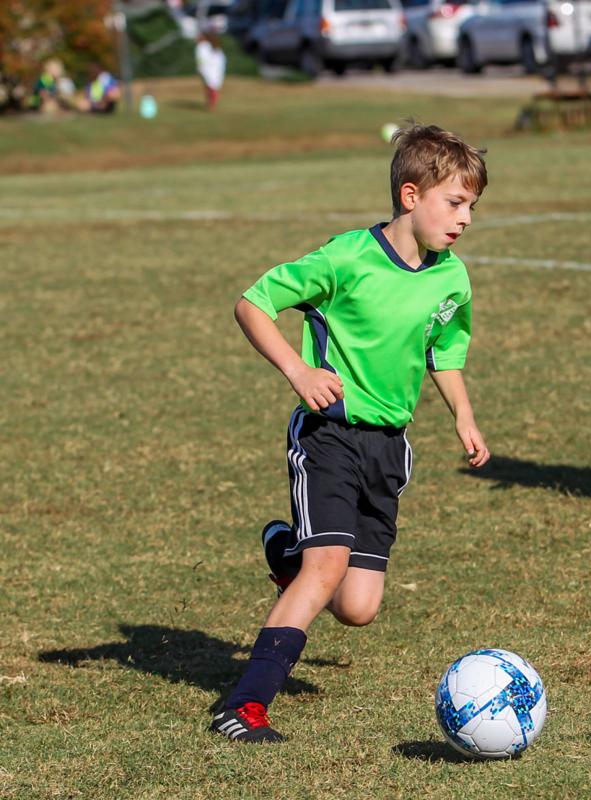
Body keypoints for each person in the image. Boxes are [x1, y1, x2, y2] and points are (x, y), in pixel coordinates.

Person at [210, 124, 491, 743]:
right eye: (456, 202)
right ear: (411, 196)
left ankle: (289, 552)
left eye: (473, 205)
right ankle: (244, 705)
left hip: (388, 449)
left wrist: (463, 417)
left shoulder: (451, 278)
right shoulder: (345, 258)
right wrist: (298, 369)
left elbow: (445, 349)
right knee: (326, 568)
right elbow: (252, 303)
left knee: (358, 607)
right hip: (329, 436)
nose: (466, 218)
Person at [195, 31, 226, 110]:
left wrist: (200, 68)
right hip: (214, 69)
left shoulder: (202, 46)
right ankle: (210, 104)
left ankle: (211, 104)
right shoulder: (213, 46)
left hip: (208, 69)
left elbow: (201, 59)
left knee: (211, 87)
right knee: (211, 87)